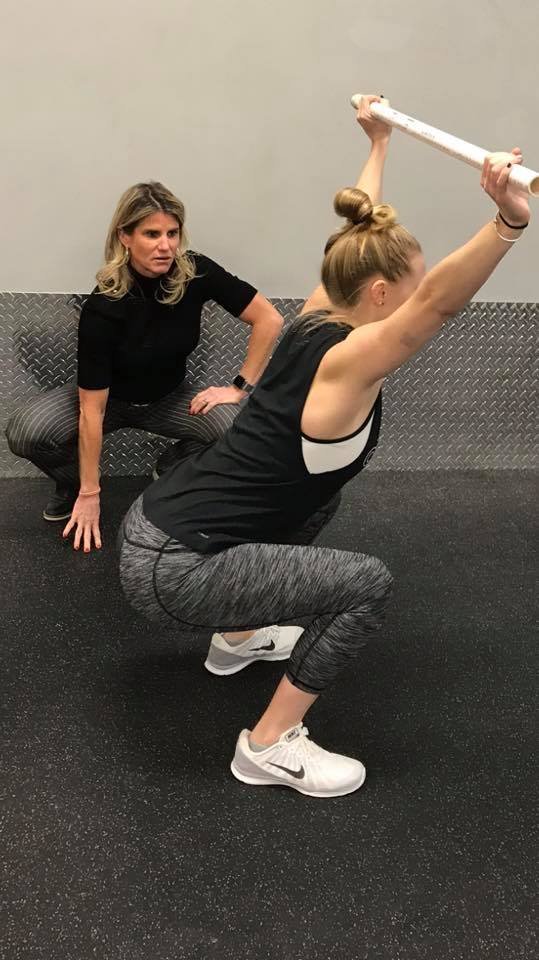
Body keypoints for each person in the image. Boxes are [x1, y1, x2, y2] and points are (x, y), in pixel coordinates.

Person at [117, 96, 530, 798]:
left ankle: (238, 636)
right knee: (366, 584)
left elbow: (355, 230)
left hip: (163, 524)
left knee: (318, 497)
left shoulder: (315, 315)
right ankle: (268, 745)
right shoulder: (347, 362)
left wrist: (378, 143)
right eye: (405, 288)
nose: (413, 297)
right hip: (174, 568)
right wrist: (507, 222)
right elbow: (436, 304)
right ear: (380, 295)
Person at [5, 181, 283, 552]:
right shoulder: (104, 306)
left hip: (168, 400)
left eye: (172, 233)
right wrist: (90, 493)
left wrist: (238, 388)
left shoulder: (196, 272)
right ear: (125, 236)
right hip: (107, 402)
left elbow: (269, 319)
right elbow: (91, 410)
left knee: (236, 428)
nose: (165, 246)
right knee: (26, 431)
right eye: (152, 234)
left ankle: (171, 465)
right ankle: (71, 484)